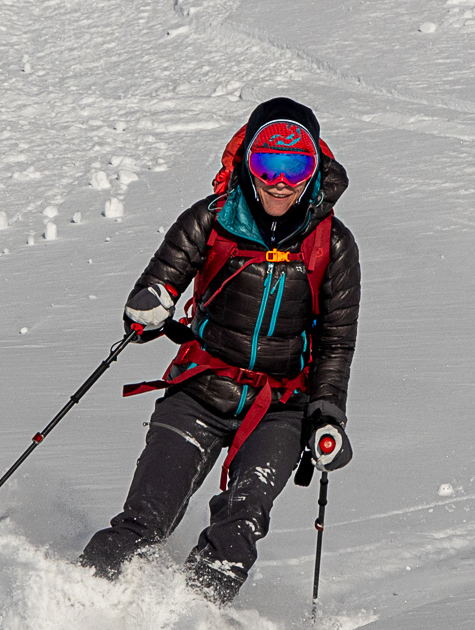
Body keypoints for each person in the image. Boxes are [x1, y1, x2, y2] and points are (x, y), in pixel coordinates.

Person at [79, 96, 360, 602]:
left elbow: (335, 342)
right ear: (247, 162)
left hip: (279, 406)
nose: (279, 181)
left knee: (240, 523)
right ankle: (77, 603)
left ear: (314, 170)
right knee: (147, 520)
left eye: (294, 166)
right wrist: (148, 308)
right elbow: (155, 290)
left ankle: (192, 626)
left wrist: (325, 415)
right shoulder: (209, 221)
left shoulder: (333, 246)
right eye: (267, 163)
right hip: (198, 390)